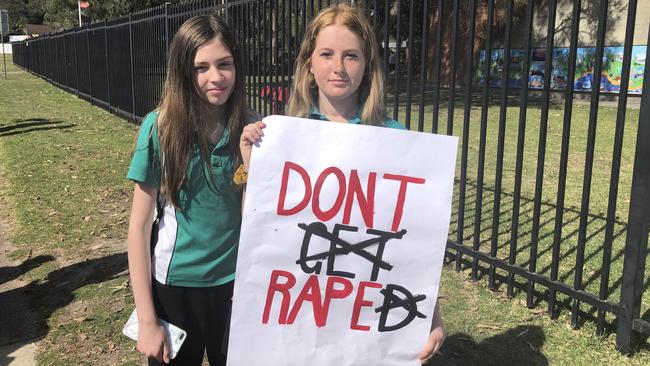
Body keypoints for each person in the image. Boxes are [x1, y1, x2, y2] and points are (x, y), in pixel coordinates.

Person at [239, 4, 445, 364]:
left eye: (351, 56)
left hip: (365, 327)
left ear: (367, 65)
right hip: (297, 322)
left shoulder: (395, 140)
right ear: (309, 64)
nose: (338, 67)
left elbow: (412, 246)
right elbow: (261, 234)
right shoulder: (281, 138)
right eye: (327, 54)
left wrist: (432, 317)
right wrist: (251, 163)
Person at [126, 13, 256, 366]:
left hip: (235, 286)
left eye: (224, 64)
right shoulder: (161, 127)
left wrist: (251, 159)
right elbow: (138, 229)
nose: (216, 77)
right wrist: (148, 320)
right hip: (175, 288)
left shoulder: (252, 129)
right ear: (184, 71)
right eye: (201, 67)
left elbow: (259, 215)